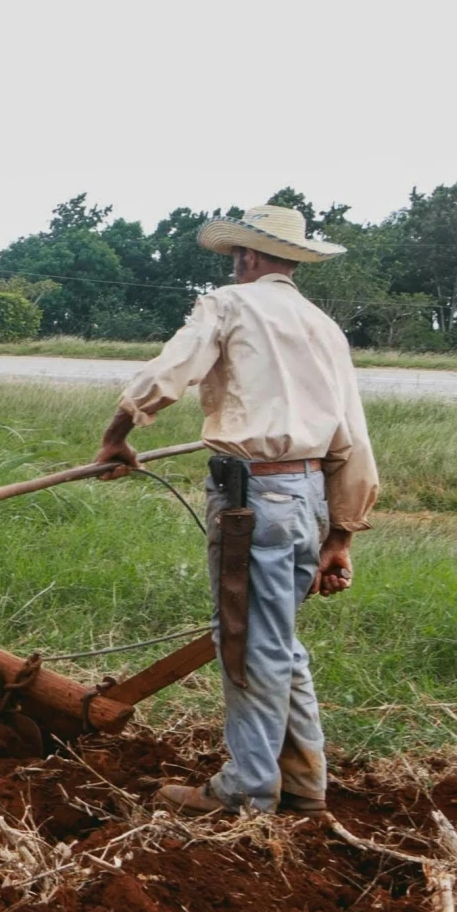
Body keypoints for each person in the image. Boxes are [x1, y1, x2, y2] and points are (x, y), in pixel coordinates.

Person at [93, 203, 377, 816]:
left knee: (248, 641)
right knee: (279, 644)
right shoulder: (324, 327)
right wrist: (341, 536)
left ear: (246, 256)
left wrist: (118, 435)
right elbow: (353, 435)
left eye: (235, 257)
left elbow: (168, 375)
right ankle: (303, 782)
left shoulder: (228, 303)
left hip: (252, 500)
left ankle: (248, 789)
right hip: (305, 498)